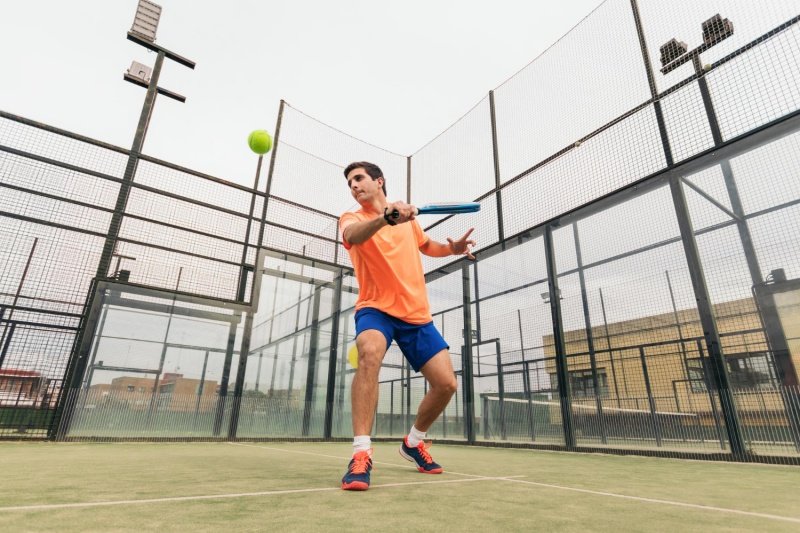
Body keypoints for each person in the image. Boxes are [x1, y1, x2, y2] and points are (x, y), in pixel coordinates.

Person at [339, 161, 476, 491]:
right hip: (376, 310)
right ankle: (361, 453)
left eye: (359, 178)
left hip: (416, 315)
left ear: (379, 181)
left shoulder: (407, 220)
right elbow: (353, 236)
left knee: (446, 385)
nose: (353, 185)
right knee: (369, 353)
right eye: (349, 182)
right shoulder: (352, 218)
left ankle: (414, 443)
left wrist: (452, 249)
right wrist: (386, 218)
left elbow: (427, 246)